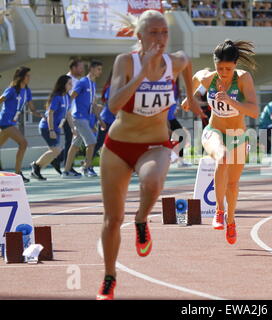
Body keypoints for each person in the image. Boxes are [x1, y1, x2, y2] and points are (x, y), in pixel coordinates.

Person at [96, 9, 204, 300]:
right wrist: (142, 73)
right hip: (118, 146)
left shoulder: (174, 61)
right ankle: (109, 276)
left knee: (153, 182)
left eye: (164, 32)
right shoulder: (125, 62)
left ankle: (142, 219)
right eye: (154, 32)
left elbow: (188, 62)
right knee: (112, 219)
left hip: (155, 145)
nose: (160, 38)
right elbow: (115, 105)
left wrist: (190, 96)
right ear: (139, 36)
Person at [184, 39, 258, 245]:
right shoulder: (209, 77)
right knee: (222, 158)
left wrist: (231, 101)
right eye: (219, 67)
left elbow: (254, 110)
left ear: (235, 65)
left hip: (238, 135)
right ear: (214, 64)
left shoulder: (243, 79)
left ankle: (231, 221)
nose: (223, 72)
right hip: (213, 130)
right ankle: (218, 210)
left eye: (227, 68)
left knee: (233, 185)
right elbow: (195, 78)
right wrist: (189, 99)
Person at [62, 60, 103, 178]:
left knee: (75, 145)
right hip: (78, 117)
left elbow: (93, 104)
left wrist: (99, 120)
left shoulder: (93, 84)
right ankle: (87, 167)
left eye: (101, 70)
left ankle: (66, 171)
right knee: (92, 142)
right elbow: (71, 97)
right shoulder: (82, 82)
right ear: (92, 69)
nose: (100, 72)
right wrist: (66, 113)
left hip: (85, 118)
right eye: (98, 69)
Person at [0, 66, 41, 182]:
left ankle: (18, 173)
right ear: (21, 77)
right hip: (5, 121)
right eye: (27, 75)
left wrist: (40, 114)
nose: (29, 78)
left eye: (29, 75)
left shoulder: (27, 91)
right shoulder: (12, 89)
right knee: (23, 143)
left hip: (12, 122)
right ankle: (18, 173)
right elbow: (1, 99)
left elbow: (32, 108)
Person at [31, 75, 74, 180]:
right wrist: (51, 130)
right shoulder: (57, 97)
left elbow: (68, 114)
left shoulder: (68, 97)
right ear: (63, 84)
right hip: (47, 127)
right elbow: (50, 113)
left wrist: (73, 128)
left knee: (56, 151)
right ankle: (36, 166)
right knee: (55, 150)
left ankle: (37, 168)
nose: (71, 85)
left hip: (57, 128)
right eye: (69, 83)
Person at [51, 58, 85, 175]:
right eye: (81, 67)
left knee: (72, 140)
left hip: (71, 114)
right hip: (67, 115)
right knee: (71, 141)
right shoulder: (69, 80)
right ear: (73, 68)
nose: (83, 69)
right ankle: (67, 166)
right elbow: (69, 99)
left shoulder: (75, 80)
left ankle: (59, 160)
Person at [168, 78, 191, 168]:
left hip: (171, 118)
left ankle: (180, 161)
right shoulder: (167, 84)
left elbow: (174, 104)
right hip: (163, 119)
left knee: (182, 136)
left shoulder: (175, 87)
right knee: (164, 139)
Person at [93, 71, 115, 158]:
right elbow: (110, 104)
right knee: (99, 143)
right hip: (106, 120)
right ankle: (86, 165)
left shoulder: (117, 87)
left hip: (113, 120)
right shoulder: (111, 88)